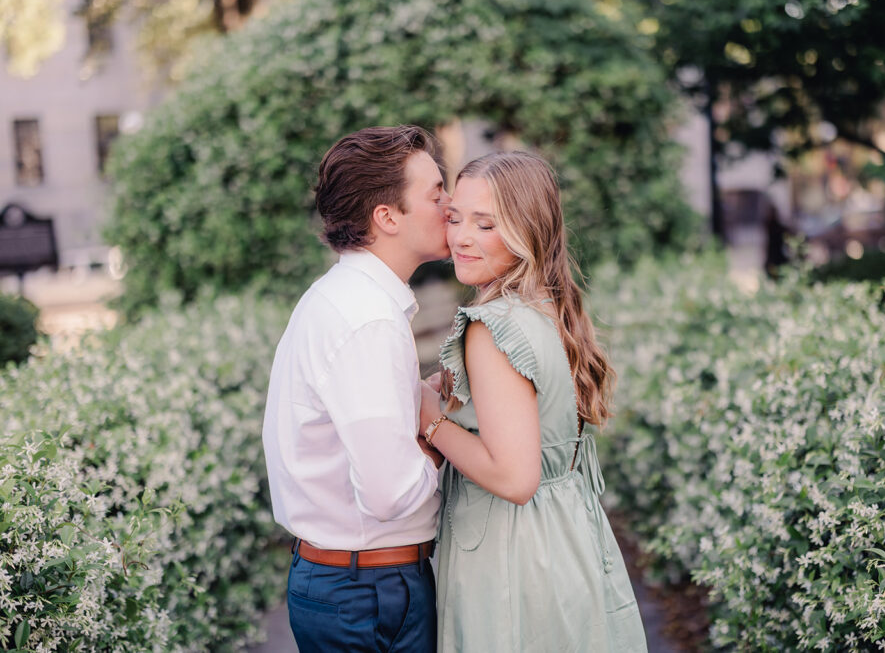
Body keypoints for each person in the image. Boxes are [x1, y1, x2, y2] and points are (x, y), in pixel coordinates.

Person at [418, 151, 648, 652]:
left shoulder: (493, 327)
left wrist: (430, 418)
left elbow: (515, 478)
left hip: (512, 557)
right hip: (563, 539)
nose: (460, 237)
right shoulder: (546, 308)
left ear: (527, 232)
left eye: (485, 225)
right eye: (455, 217)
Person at [262, 125, 449, 652]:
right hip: (370, 592)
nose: (450, 205)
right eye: (436, 193)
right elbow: (389, 494)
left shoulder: (344, 298)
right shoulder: (367, 319)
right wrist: (439, 432)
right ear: (386, 217)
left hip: (352, 584)